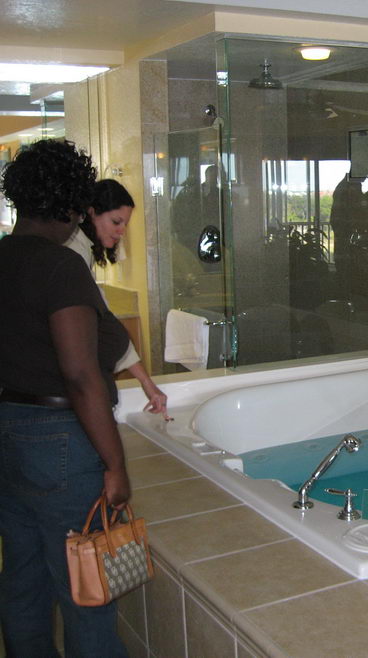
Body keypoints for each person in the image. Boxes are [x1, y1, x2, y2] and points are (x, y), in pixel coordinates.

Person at [0, 139, 130, 656]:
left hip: (7, 429)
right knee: (85, 588)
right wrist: (114, 464)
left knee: (23, 576)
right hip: (57, 439)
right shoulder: (59, 266)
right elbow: (80, 375)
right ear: (74, 205)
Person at [64, 179, 168, 418]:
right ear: (92, 213)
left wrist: (146, 382)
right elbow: (103, 322)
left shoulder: (83, 251)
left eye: (125, 224)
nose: (122, 231)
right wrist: (146, 382)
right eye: (116, 222)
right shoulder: (72, 254)